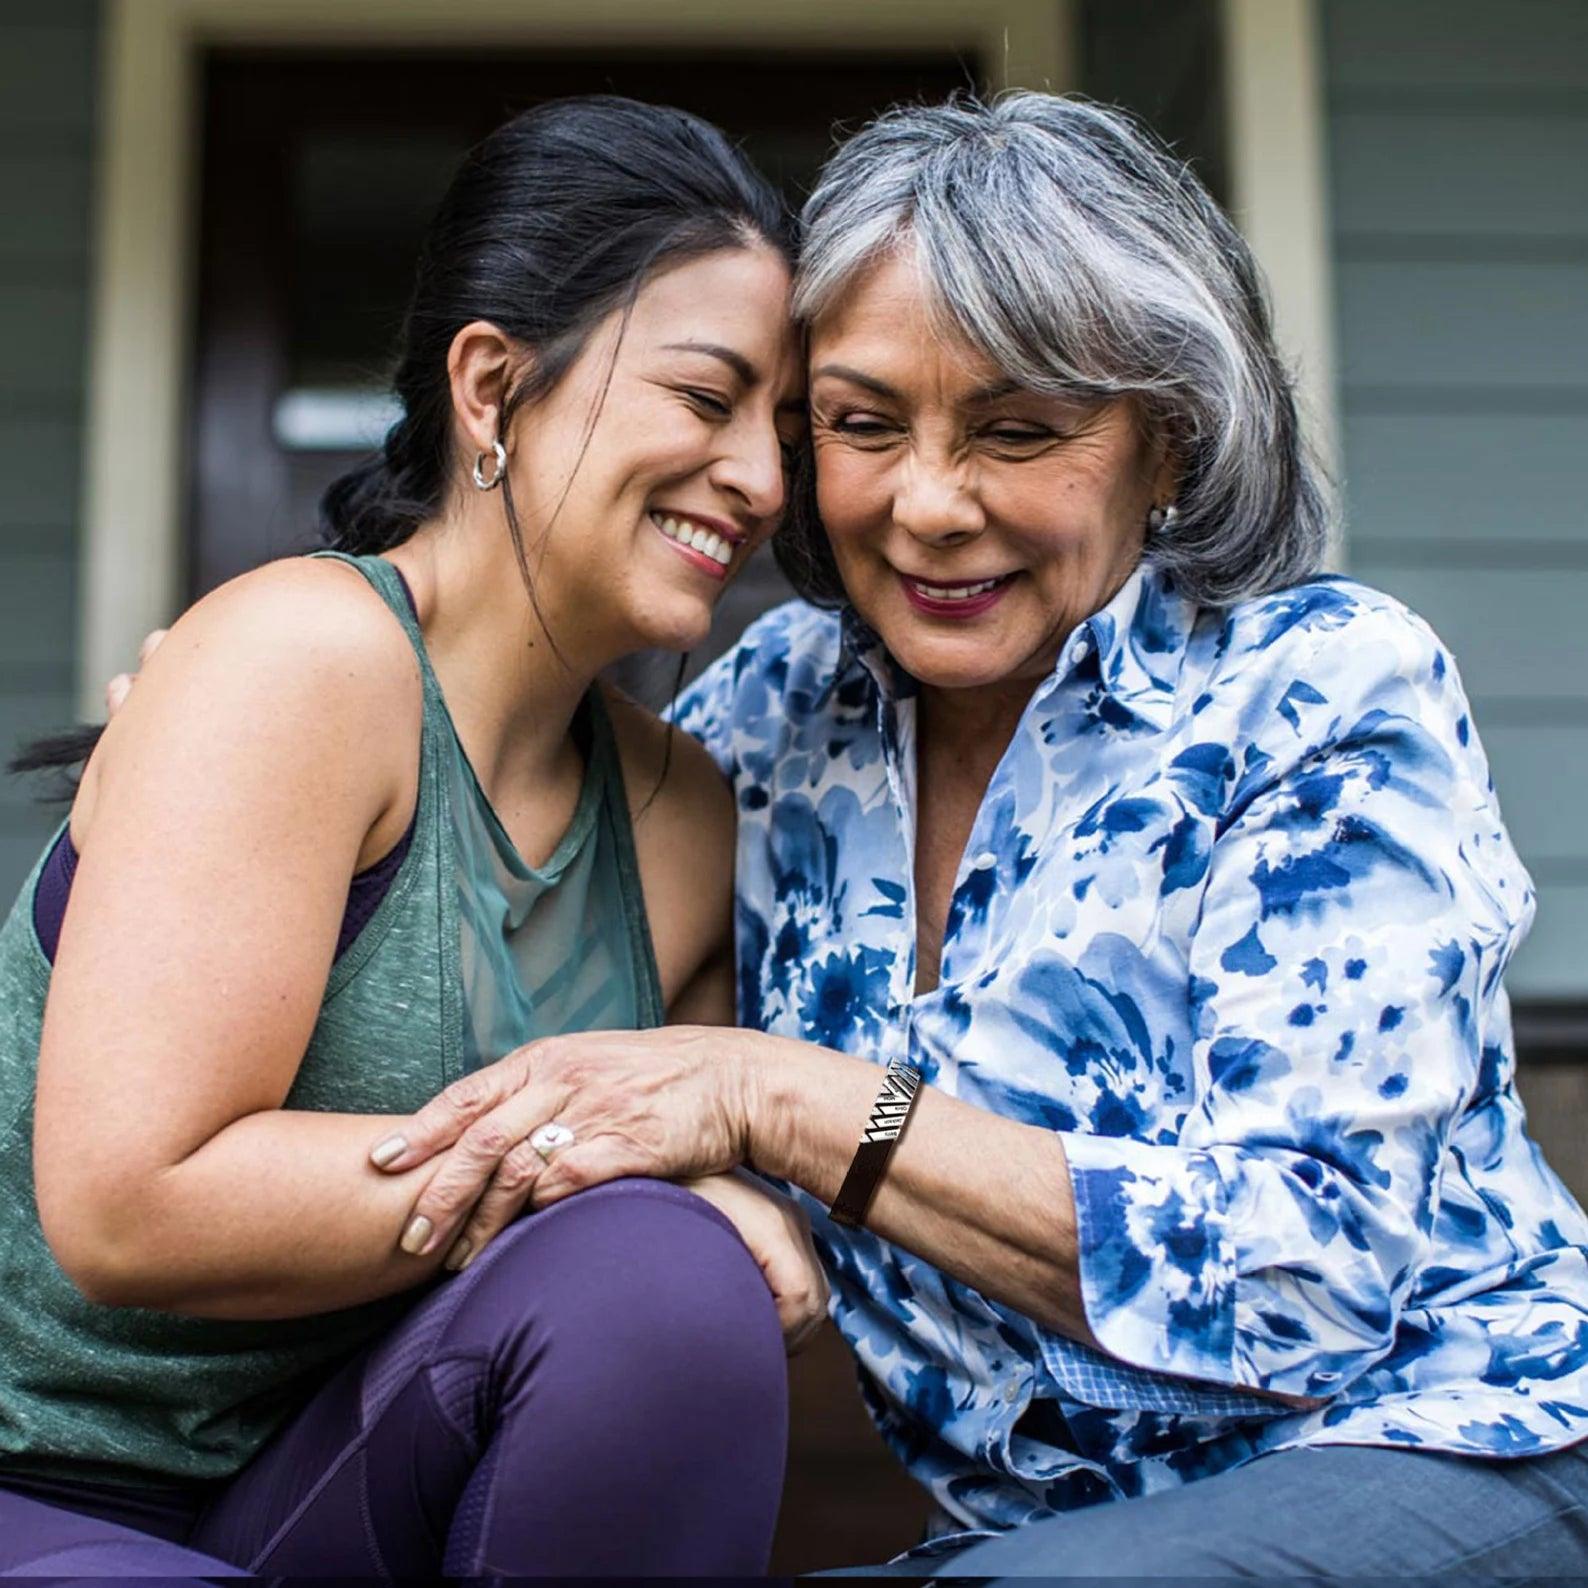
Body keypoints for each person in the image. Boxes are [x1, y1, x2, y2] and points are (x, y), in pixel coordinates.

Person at [361, 95, 1588, 1576]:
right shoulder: (761, 724)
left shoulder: (1319, 692)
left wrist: (784, 1104)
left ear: (1169, 446)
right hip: (1037, 1547)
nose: (930, 506)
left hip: (1456, 1447)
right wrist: (258, 715)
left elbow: (1298, 1285)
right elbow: (504, 918)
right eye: (863, 425)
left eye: (1019, 431)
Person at [0, 96, 824, 1578]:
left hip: (344, 1485)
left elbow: (694, 1276)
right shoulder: (302, 662)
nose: (764, 480)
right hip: (56, 1493)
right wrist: (597, 1159)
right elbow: (128, 1206)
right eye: (708, 401)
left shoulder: (685, 816)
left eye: (783, 424)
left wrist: (702, 1192)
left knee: (664, 1278)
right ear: (495, 388)